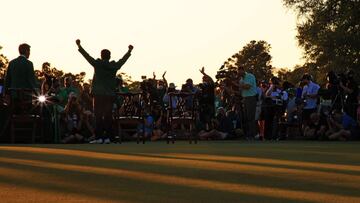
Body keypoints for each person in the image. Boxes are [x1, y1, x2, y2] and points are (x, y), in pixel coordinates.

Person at [76, 39, 133, 144]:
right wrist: (129, 52)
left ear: (101, 56)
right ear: (109, 56)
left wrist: (79, 46)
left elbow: (87, 57)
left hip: (98, 94)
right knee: (108, 116)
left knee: (98, 116)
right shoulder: (113, 66)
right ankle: (109, 138)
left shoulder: (97, 64)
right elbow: (122, 61)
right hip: (109, 95)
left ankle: (98, 138)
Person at [4, 43, 39, 109]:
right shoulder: (29, 64)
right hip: (25, 97)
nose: (29, 53)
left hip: (13, 95)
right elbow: (31, 80)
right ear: (26, 51)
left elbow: (8, 79)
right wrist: (37, 93)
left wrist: (6, 93)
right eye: (29, 51)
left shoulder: (12, 63)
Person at [235, 66, 257, 140]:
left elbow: (247, 87)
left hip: (251, 98)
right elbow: (241, 91)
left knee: (250, 117)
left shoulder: (250, 76)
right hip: (245, 98)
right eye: (238, 71)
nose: (238, 73)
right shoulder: (241, 79)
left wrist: (237, 84)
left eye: (239, 71)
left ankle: (252, 135)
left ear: (243, 70)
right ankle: (248, 134)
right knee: (246, 117)